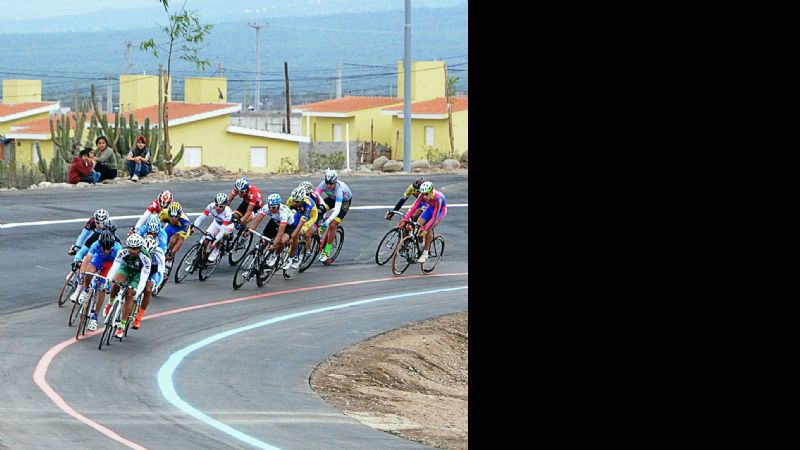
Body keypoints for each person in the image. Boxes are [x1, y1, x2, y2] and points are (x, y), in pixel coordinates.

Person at [70, 230, 121, 331]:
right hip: (98, 259)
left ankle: (95, 317)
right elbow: (86, 261)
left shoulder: (118, 249)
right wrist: (81, 275)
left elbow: (117, 268)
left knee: (101, 288)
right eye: (104, 248)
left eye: (108, 248)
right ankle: (86, 290)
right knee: (89, 271)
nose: (106, 251)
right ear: (100, 244)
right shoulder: (96, 245)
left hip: (111, 264)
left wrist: (109, 283)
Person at [106, 233, 151, 338]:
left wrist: (138, 292)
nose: (132, 251)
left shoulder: (146, 258)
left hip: (138, 274)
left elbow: (144, 278)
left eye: (135, 249)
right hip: (126, 268)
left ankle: (121, 326)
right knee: (116, 282)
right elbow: (115, 266)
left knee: (130, 294)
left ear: (140, 248)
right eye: (131, 248)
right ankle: (110, 303)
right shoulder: (122, 252)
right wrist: (107, 280)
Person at [398, 181, 447, 264]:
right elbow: (413, 208)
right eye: (423, 194)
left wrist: (425, 231)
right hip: (430, 208)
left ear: (431, 192)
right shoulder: (422, 196)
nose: (424, 196)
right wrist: (405, 220)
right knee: (418, 224)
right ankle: (419, 245)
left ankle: (425, 253)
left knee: (428, 229)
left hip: (439, 211)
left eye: (427, 194)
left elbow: (434, 218)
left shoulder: (438, 198)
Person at [247, 193, 296, 269]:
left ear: (278, 206)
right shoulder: (266, 208)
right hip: (275, 221)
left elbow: (280, 233)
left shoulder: (283, 214)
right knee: (264, 240)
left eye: (273, 207)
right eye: (269, 207)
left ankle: (275, 256)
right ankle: (259, 258)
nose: (271, 209)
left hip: (288, 226)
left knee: (281, 241)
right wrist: (249, 231)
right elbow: (257, 221)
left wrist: (274, 245)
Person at [315, 169, 353, 264]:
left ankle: (326, 251)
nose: (328, 186)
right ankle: (320, 229)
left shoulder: (339, 189)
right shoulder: (323, 184)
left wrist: (327, 222)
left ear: (335, 182)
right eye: (327, 183)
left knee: (333, 224)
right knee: (317, 210)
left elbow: (337, 210)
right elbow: (315, 197)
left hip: (343, 202)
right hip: (332, 199)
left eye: (331, 184)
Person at [131, 235, 165, 330]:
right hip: (141, 269)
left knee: (147, 290)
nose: (148, 256)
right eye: (146, 253)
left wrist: (156, 286)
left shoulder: (159, 253)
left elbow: (161, 272)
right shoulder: (139, 251)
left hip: (153, 272)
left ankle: (138, 318)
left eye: (151, 253)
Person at [193, 193, 235, 263]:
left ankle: (217, 249)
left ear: (225, 206)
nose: (218, 208)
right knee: (205, 241)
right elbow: (201, 218)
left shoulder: (227, 213)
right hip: (216, 223)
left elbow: (222, 230)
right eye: (216, 205)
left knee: (217, 235)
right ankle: (203, 256)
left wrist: (215, 241)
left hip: (228, 226)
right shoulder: (211, 206)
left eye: (221, 206)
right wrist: (194, 226)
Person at [287, 186, 318, 270]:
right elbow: (286, 214)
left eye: (297, 201)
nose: (294, 203)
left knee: (302, 233)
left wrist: (294, 235)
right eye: (294, 200)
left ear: (302, 200)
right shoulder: (291, 200)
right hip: (299, 213)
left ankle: (304, 252)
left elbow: (301, 224)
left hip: (310, 217)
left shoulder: (308, 205)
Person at [159, 201, 192, 266]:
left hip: (181, 229)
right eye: (171, 216)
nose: (173, 219)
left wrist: (172, 253)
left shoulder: (185, 221)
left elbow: (180, 241)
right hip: (170, 227)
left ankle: (170, 259)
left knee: (174, 240)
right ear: (168, 213)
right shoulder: (164, 212)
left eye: (176, 217)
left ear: (179, 215)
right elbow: (154, 223)